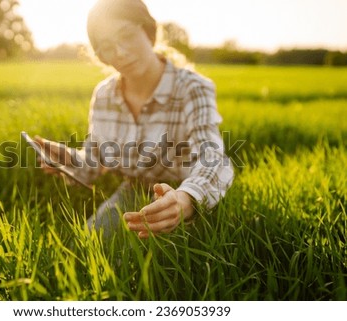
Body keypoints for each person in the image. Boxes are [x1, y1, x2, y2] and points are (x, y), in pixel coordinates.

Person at [35, 0, 233, 239]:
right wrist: (67, 161)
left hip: (183, 191)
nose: (120, 52)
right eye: (107, 46)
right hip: (134, 189)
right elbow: (95, 161)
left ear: (149, 31)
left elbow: (213, 157)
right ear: (101, 56)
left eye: (127, 36)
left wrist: (186, 199)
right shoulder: (104, 95)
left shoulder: (192, 87)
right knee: (91, 242)